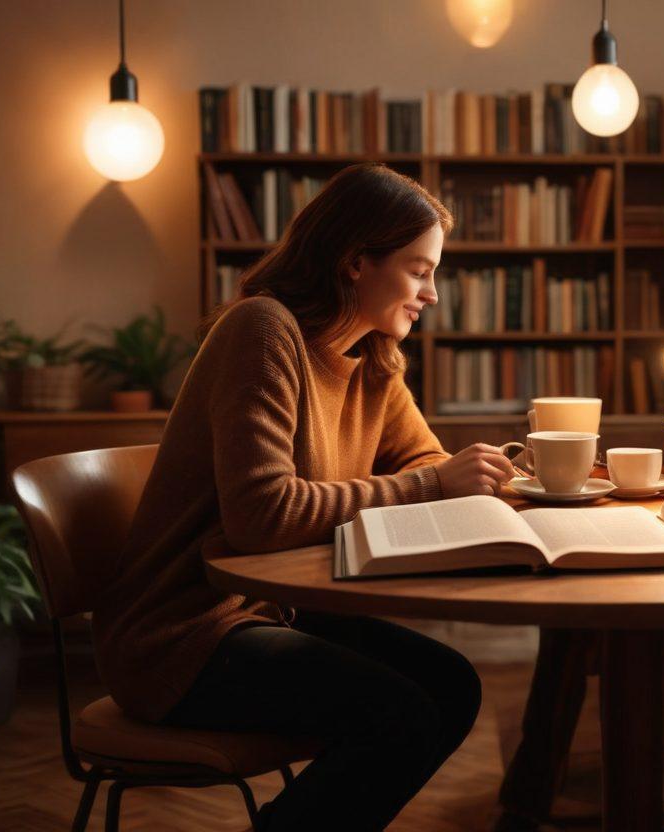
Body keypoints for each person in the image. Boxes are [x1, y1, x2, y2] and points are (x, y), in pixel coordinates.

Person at [92, 163, 518, 830]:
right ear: (355, 262)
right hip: (181, 635)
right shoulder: (262, 331)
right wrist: (433, 485)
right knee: (400, 716)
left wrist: (463, 478)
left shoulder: (373, 360)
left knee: (453, 688)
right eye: (418, 269)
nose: (432, 294)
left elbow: (425, 460)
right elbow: (262, 516)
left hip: (274, 611)